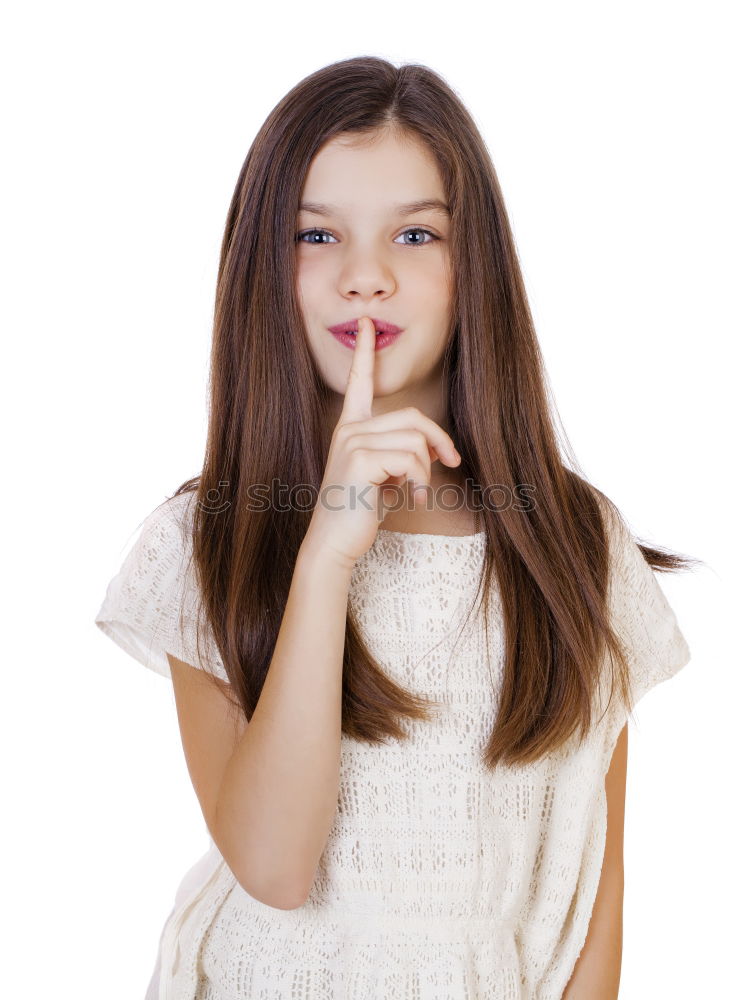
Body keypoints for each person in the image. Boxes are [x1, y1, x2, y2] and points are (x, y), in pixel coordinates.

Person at [94, 55, 695, 1000]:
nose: (364, 278)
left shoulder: (573, 543)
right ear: (265, 265)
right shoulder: (207, 539)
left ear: (475, 266)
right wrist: (327, 553)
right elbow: (273, 869)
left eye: (414, 234)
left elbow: (593, 903)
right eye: (316, 234)